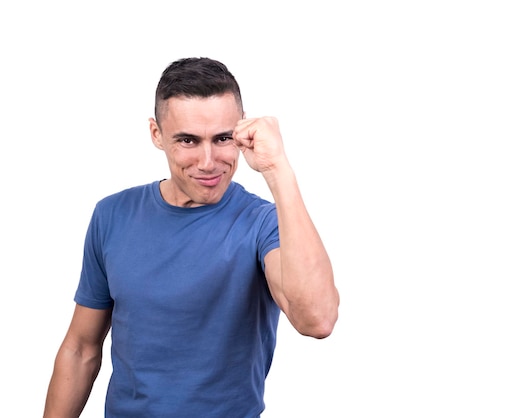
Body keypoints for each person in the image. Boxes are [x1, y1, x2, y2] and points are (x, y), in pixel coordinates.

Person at [43, 57, 340, 417]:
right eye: (188, 140)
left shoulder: (264, 223)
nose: (208, 161)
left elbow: (317, 320)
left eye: (222, 138)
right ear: (156, 135)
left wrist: (278, 169)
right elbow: (81, 348)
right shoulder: (112, 214)